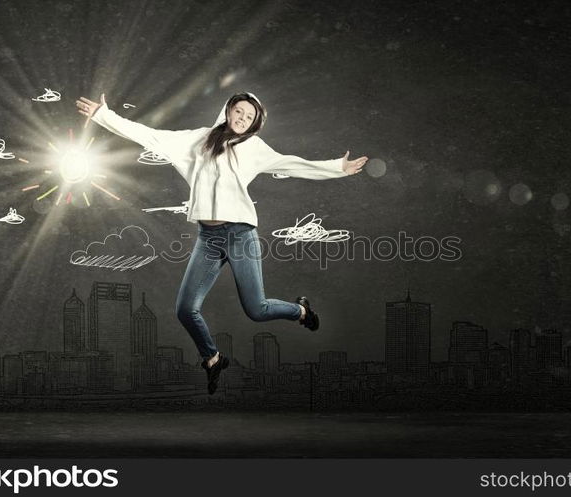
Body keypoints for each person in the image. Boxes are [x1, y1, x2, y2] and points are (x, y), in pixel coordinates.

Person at [76, 92, 367, 394]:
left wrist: (337, 168)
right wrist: (103, 115)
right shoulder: (199, 140)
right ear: (228, 111)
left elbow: (292, 164)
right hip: (208, 239)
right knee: (186, 310)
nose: (242, 118)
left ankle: (301, 311)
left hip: (241, 235)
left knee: (256, 310)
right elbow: (148, 135)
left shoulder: (254, 148)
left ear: (254, 124)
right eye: (238, 111)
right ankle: (213, 358)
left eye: (249, 116)